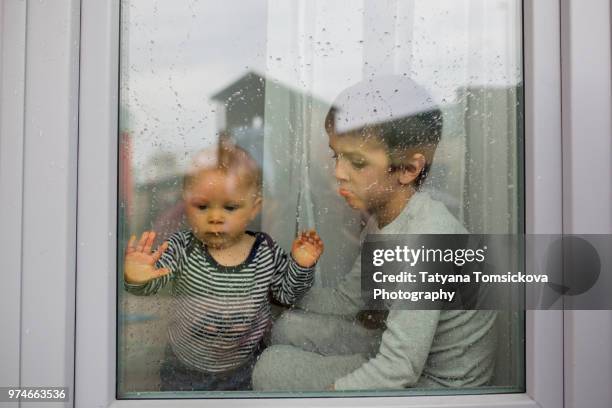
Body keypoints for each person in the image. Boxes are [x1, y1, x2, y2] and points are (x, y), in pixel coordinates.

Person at [252, 76, 496, 391]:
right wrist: (278, 291)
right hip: (402, 358)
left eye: (356, 161)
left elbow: (399, 369)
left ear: (408, 169)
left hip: (437, 388)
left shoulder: (428, 238)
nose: (339, 172)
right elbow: (348, 300)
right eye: (336, 155)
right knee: (286, 328)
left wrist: (329, 395)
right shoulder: (384, 220)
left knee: (271, 369)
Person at [123, 140, 324, 391]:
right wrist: (138, 278)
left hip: (243, 367)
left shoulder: (264, 251)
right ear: (186, 205)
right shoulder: (182, 248)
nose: (215, 217)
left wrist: (301, 265)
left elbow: (287, 294)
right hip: (184, 367)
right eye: (202, 206)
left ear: (254, 208)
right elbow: (155, 282)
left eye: (230, 207)